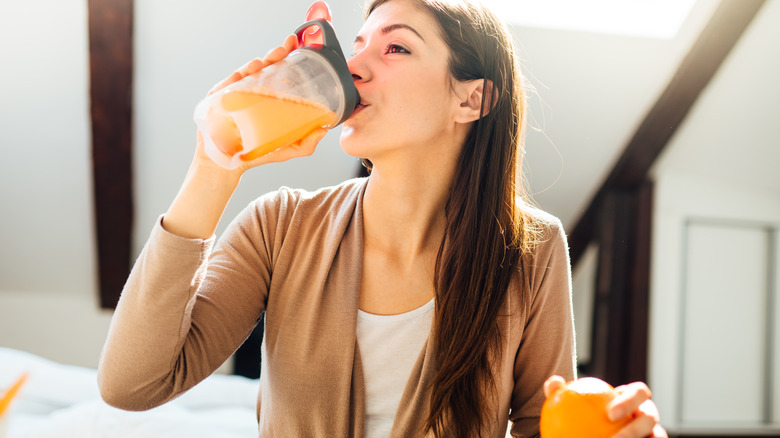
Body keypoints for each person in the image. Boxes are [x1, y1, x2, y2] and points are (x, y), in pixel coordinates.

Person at [98, 0, 667, 437]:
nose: (353, 66)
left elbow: (545, 423)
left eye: (395, 49)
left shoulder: (531, 248)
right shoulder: (279, 226)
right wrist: (213, 166)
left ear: (473, 100)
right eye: (359, 44)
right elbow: (131, 384)